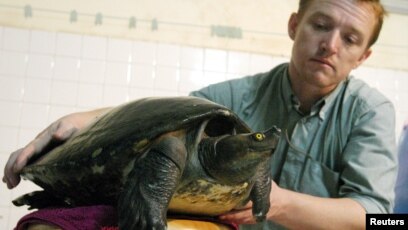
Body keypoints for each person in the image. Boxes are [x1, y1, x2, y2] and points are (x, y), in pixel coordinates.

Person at [3, 0, 398, 229]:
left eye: (349, 39)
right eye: (320, 25)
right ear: (295, 25)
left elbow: (379, 219)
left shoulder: (370, 113)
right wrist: (84, 120)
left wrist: (277, 203)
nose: (329, 45)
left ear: (363, 56)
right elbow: (167, 118)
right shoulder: (239, 96)